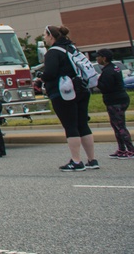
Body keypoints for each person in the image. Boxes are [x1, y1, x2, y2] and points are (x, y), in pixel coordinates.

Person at [42, 25, 98, 171]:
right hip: (82, 89)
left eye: (44, 35)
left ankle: (76, 161)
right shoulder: (72, 48)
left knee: (70, 126)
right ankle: (92, 160)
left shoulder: (53, 53)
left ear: (51, 36)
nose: (44, 38)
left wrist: (40, 77)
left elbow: (50, 73)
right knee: (83, 125)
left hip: (65, 92)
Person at [96, 49, 133, 159]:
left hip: (115, 101)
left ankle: (131, 150)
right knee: (116, 125)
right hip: (121, 99)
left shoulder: (108, 71)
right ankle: (121, 149)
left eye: (98, 57)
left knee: (120, 126)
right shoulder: (114, 68)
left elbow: (105, 87)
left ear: (104, 58)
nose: (97, 59)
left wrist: (96, 82)